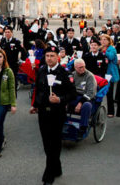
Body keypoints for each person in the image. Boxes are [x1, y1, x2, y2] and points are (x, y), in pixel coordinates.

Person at [30, 46, 76, 185]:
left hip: (57, 113)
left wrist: (60, 99)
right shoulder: (42, 70)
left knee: (54, 143)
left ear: (58, 57)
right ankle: (57, 168)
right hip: (43, 112)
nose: (49, 58)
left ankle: (49, 174)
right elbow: (37, 89)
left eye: (52, 55)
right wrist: (35, 105)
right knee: (46, 143)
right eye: (47, 55)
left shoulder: (64, 72)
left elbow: (72, 94)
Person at [68, 59, 97, 137]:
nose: (82, 69)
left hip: (87, 98)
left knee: (86, 105)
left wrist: (80, 103)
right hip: (75, 96)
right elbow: (68, 89)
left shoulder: (90, 76)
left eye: (83, 67)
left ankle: (83, 127)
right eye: (79, 67)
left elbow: (90, 93)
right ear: (75, 68)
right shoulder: (72, 75)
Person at [100, 34, 119, 117]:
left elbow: (111, 57)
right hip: (102, 72)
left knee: (109, 92)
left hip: (109, 73)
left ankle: (110, 111)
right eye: (102, 40)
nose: (103, 41)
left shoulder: (112, 49)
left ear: (109, 41)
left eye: (105, 40)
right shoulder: (100, 48)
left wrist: (104, 51)